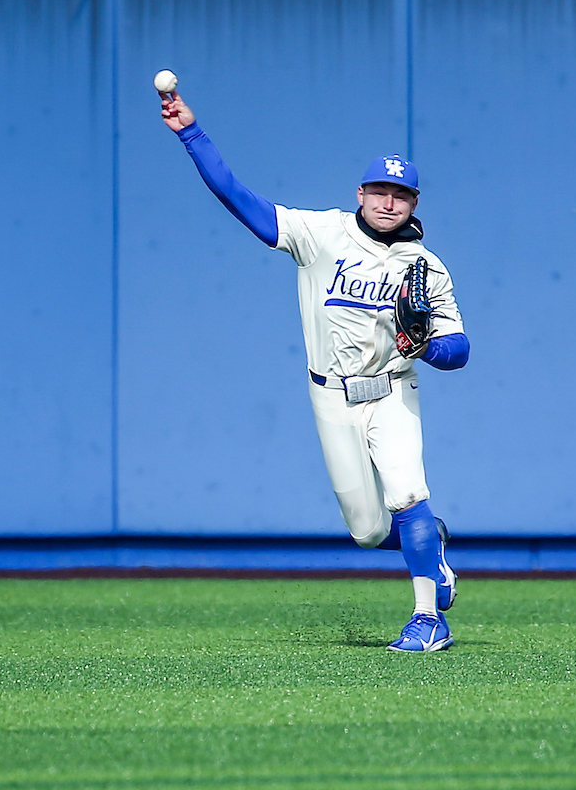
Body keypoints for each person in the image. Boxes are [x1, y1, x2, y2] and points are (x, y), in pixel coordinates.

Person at [161, 90, 470, 652]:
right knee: (369, 530)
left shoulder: (426, 266)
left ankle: (429, 617)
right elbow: (237, 196)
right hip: (331, 396)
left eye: (400, 195)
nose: (388, 202)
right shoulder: (320, 233)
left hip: (393, 392)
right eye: (379, 190)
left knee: (409, 496)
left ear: (414, 203)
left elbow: (460, 349)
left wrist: (424, 346)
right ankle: (430, 548)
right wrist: (191, 133)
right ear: (361, 193)